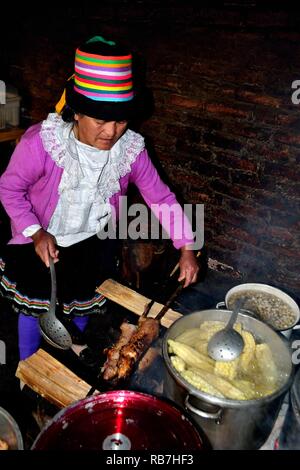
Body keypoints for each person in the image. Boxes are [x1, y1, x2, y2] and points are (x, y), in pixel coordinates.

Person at [0, 35, 199, 361]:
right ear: (77, 113)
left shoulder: (130, 151)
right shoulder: (43, 143)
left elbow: (161, 197)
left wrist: (187, 246)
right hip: (39, 241)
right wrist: (35, 232)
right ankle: (26, 365)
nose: (111, 132)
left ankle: (69, 348)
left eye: (121, 120)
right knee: (34, 305)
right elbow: (9, 189)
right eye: (101, 120)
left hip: (92, 244)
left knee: (81, 299)